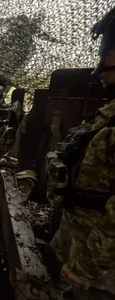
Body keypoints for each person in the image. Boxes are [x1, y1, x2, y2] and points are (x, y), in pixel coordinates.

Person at [47, 7, 115, 300]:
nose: (98, 66)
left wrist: (84, 268)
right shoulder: (109, 114)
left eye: (107, 52)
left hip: (98, 266)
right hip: (76, 231)